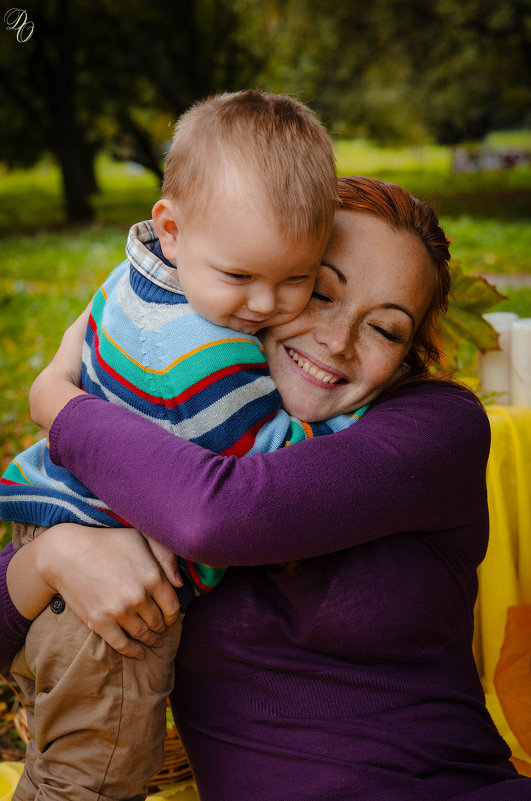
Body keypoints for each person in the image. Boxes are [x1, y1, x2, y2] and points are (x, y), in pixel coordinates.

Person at [2, 176, 531, 801]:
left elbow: (221, 516)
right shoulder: (175, 435)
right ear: (266, 280)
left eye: (385, 330)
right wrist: (52, 557)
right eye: (321, 293)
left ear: (411, 352)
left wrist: (59, 403)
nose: (337, 343)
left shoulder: (435, 428)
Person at [0, 91, 369, 801]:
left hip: (48, 526)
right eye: (241, 277)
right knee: (94, 781)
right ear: (171, 227)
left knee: (57, 754)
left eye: (296, 278)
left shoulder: (133, 272)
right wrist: (353, 427)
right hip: (112, 599)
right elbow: (272, 465)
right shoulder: (205, 357)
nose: (264, 304)